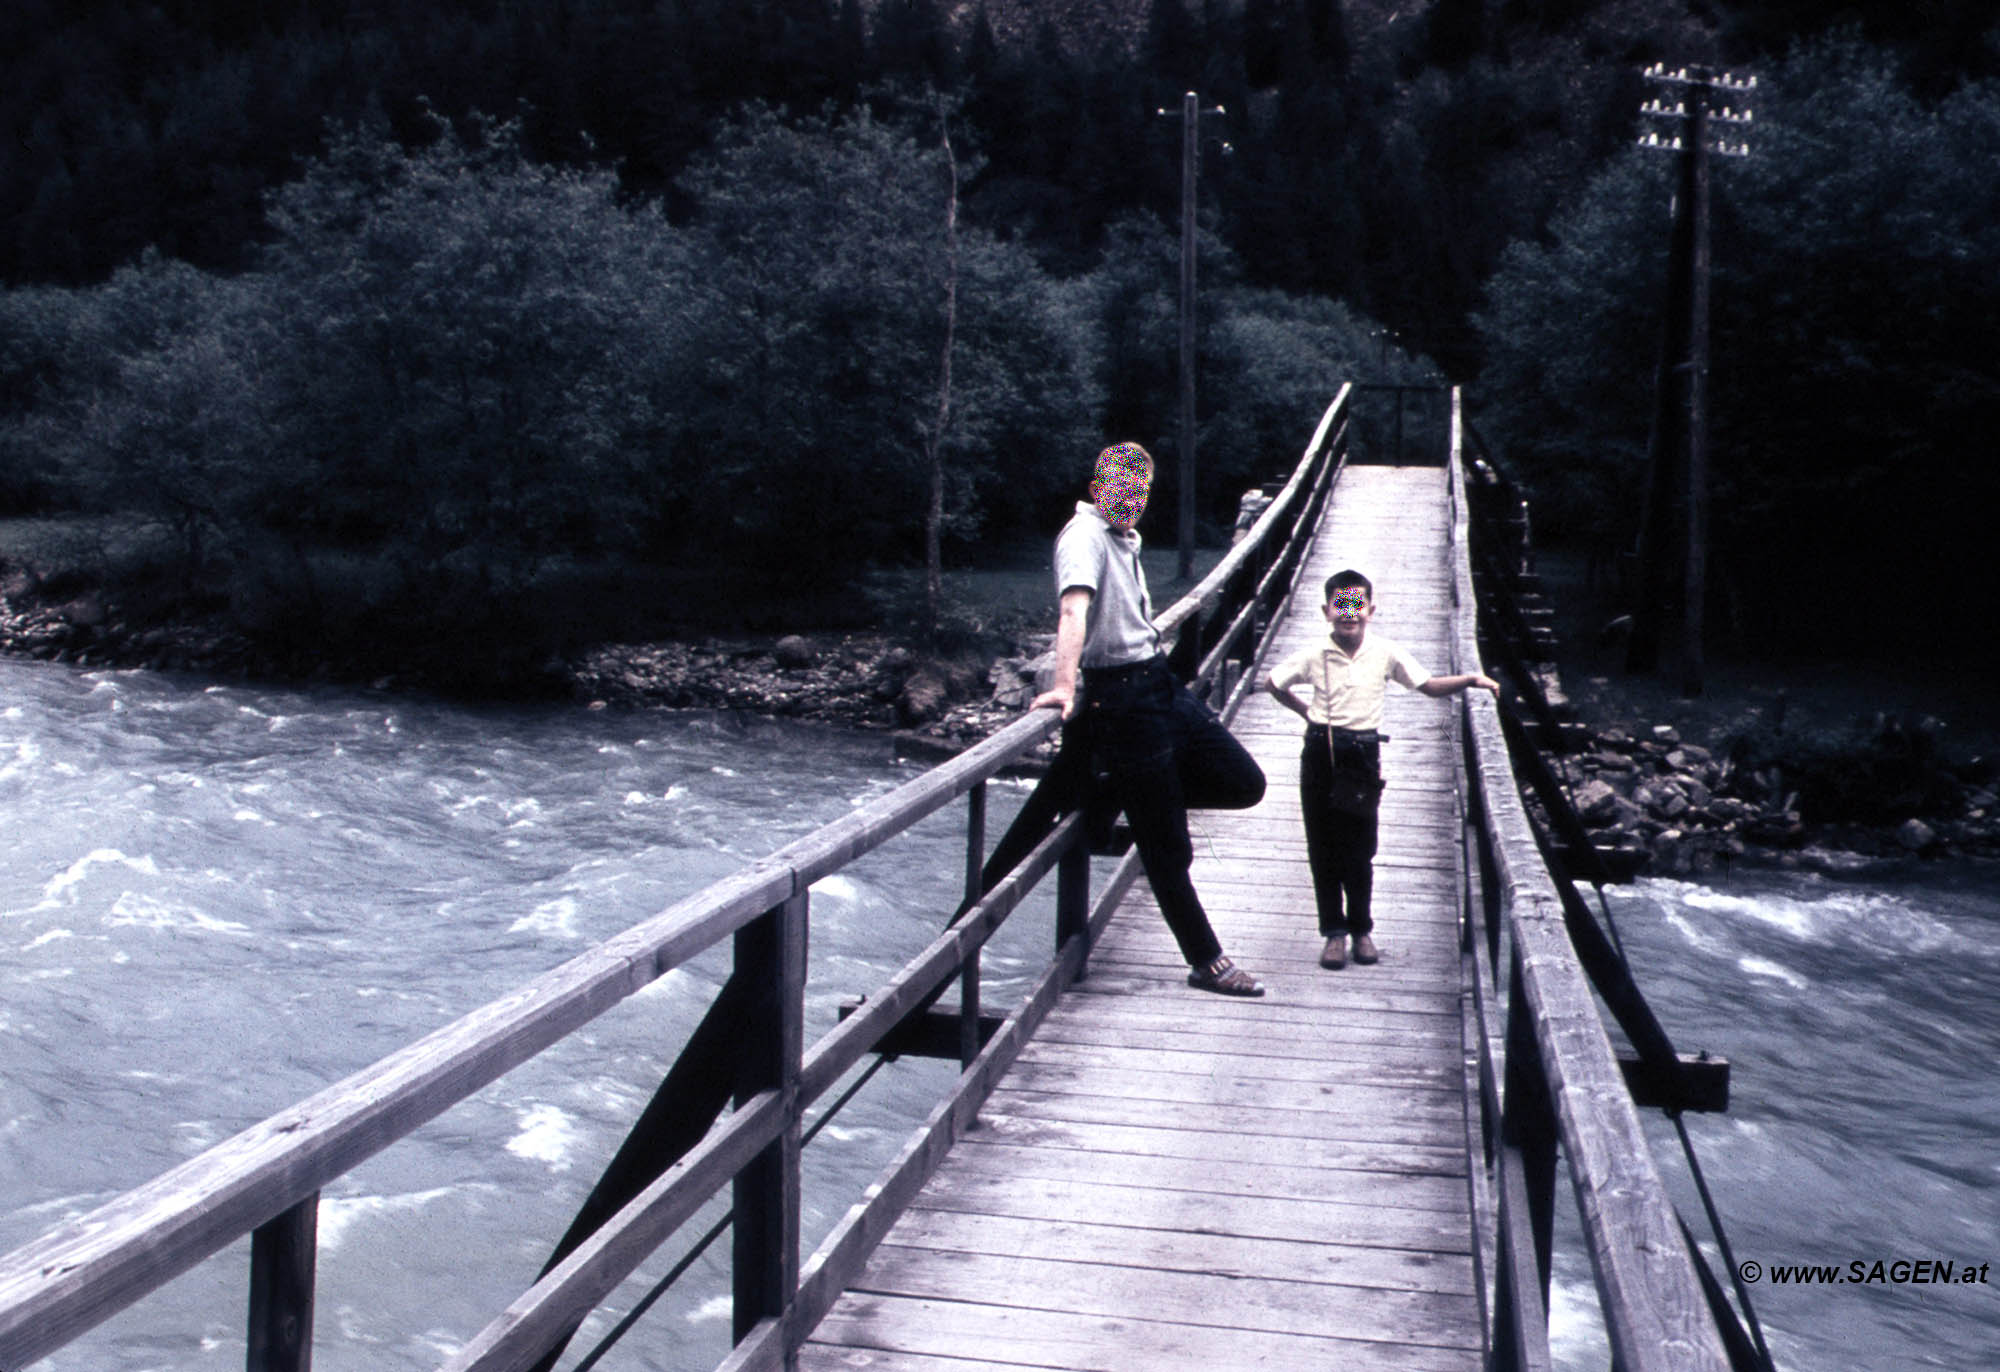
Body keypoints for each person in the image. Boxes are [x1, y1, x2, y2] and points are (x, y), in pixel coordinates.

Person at [975, 442, 1269, 996]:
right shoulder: (1083, 537)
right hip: (1122, 700)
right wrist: (1064, 684)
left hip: (1157, 682)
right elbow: (1073, 609)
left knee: (1244, 782)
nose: (1128, 501)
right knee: (1167, 845)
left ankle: (1116, 788)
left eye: (1138, 492)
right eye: (1118, 490)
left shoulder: (1124, 539)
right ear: (1096, 489)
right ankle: (1206, 960)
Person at [1267, 570, 1498, 970]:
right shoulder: (1313, 654)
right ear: (1326, 611)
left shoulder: (1385, 653)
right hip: (1321, 754)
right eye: (1341, 605)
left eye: (1357, 605)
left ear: (1371, 609)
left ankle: (1361, 929)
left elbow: (1426, 685)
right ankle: (1333, 934)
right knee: (1322, 846)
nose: (1349, 614)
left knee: (1359, 847)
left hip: (1361, 757)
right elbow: (1274, 683)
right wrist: (1309, 713)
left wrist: (1471, 680)